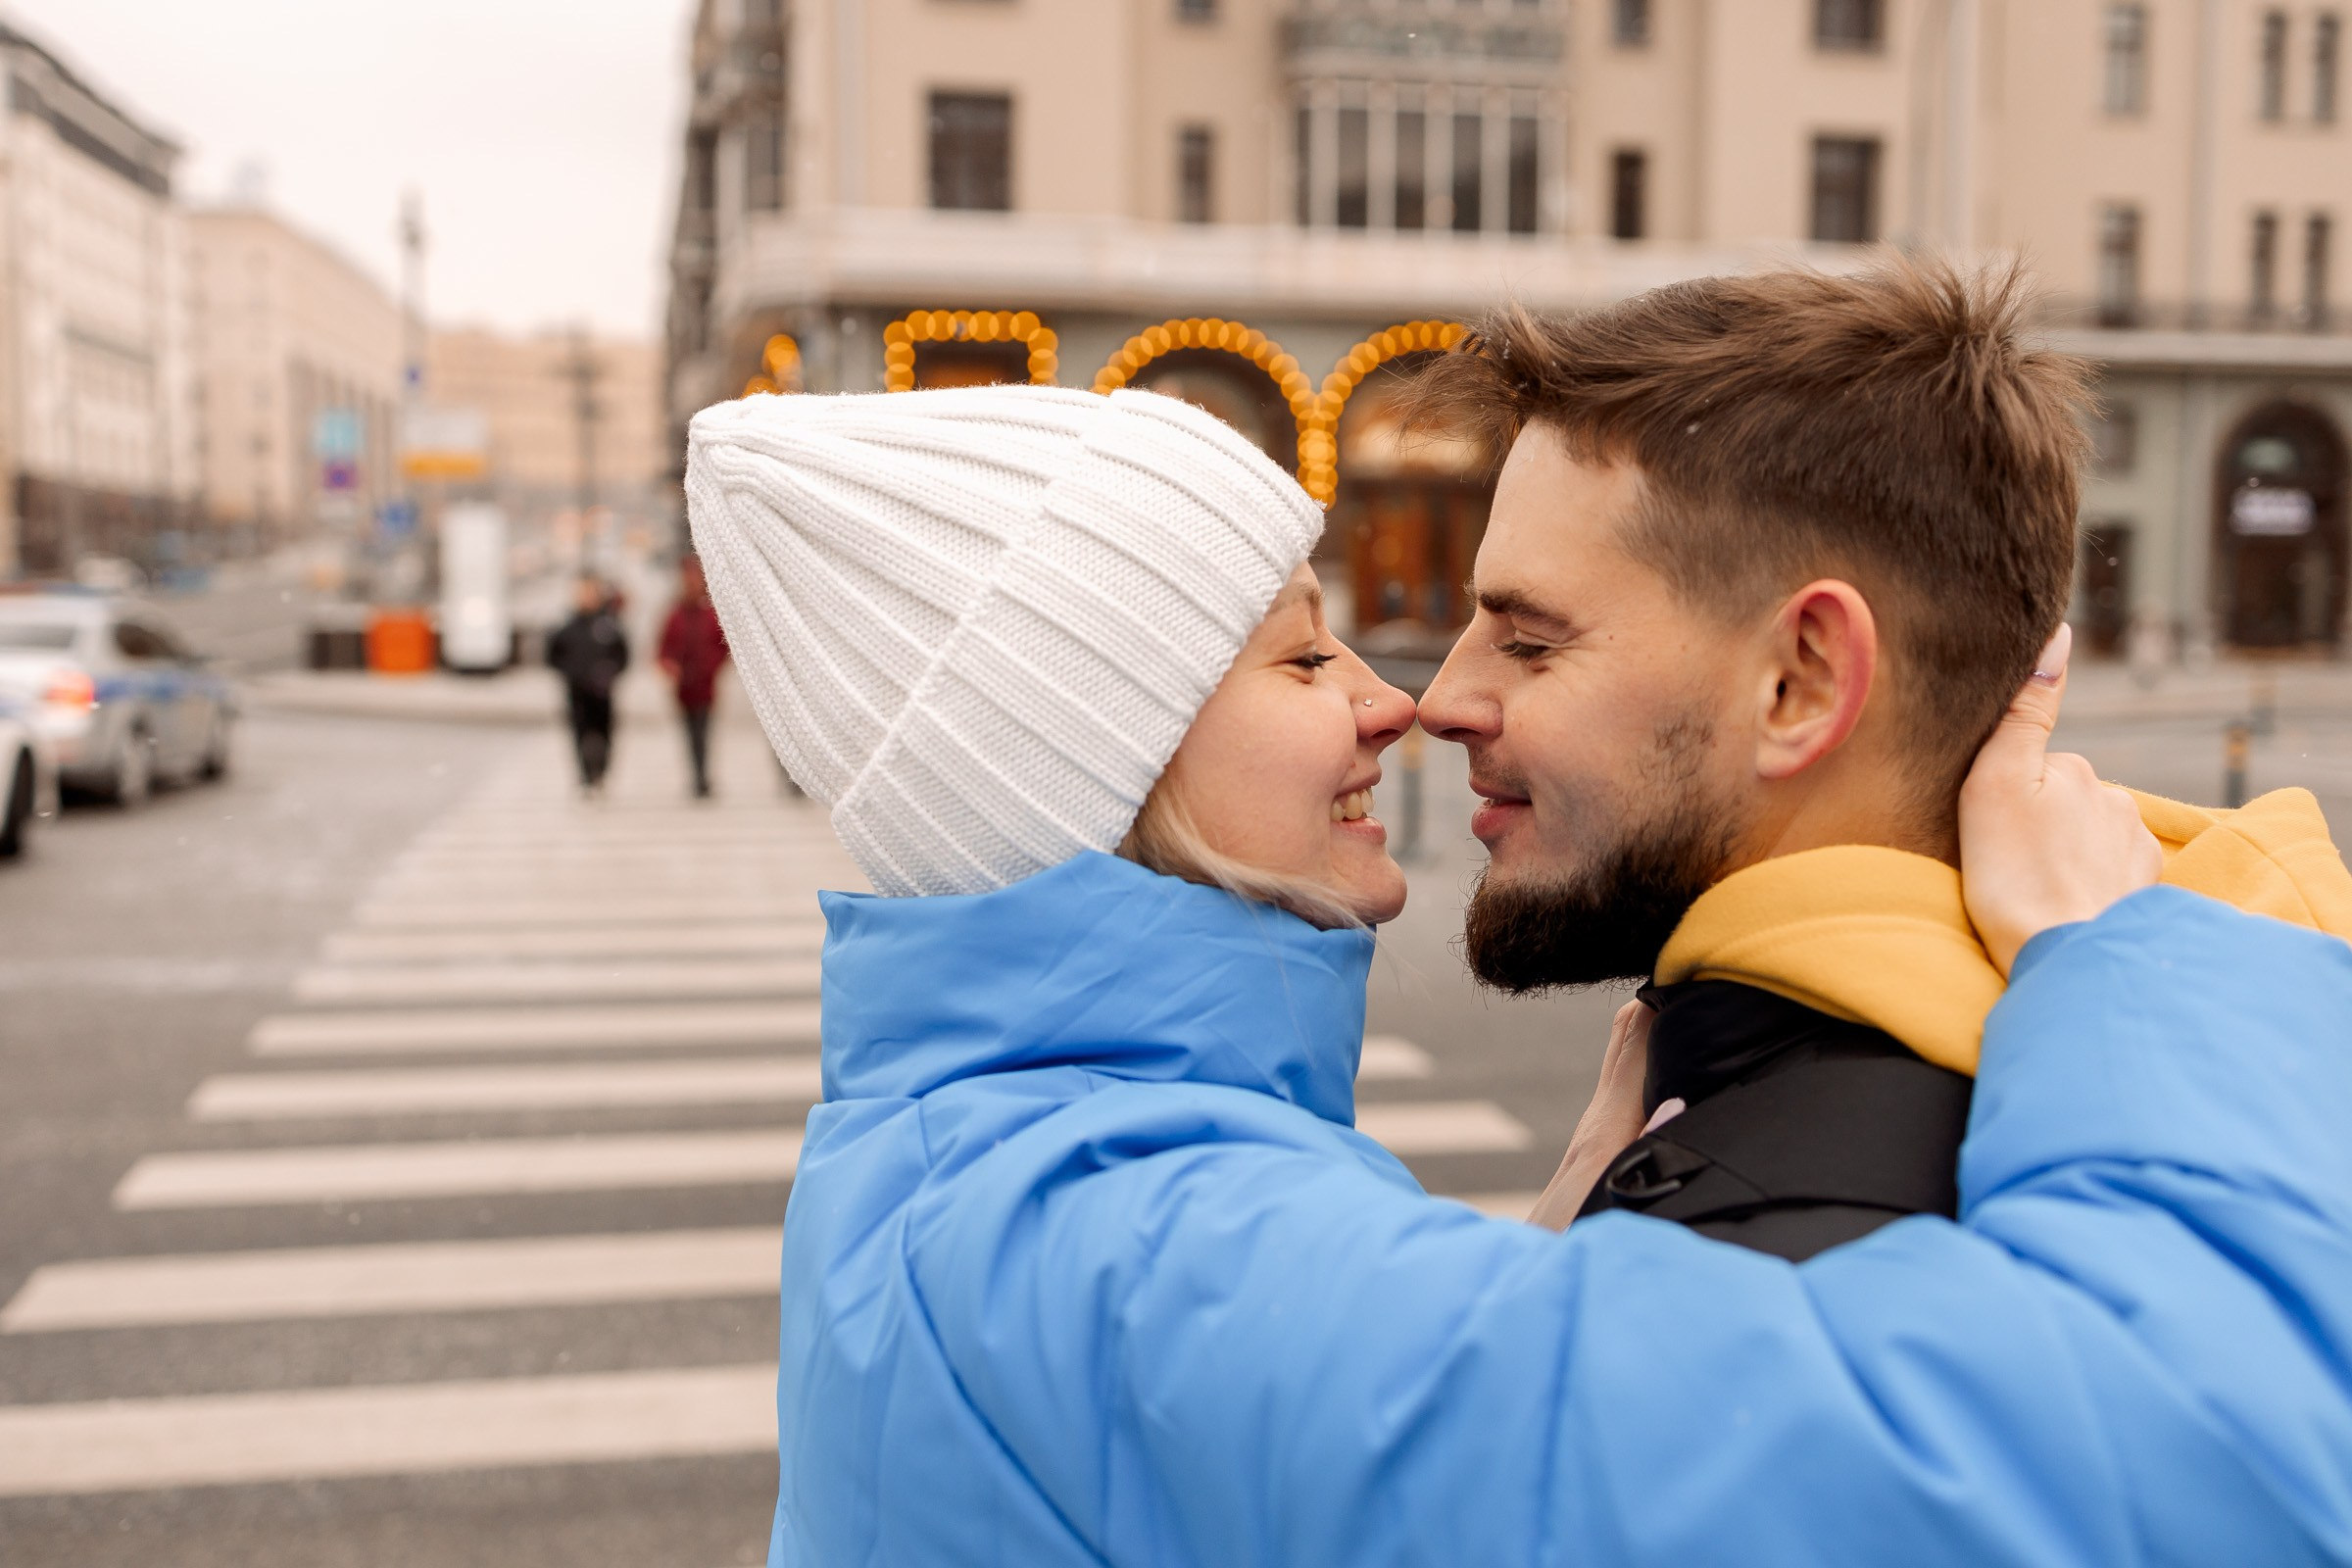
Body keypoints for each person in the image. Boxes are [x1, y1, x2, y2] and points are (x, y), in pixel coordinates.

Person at [686, 378, 2352, 1564]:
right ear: (1089, 766)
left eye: (1528, 636)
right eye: (1293, 652)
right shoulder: (1141, 1248)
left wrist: (1517, 1273)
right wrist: (2129, 966)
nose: (1397, 698)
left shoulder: (987, 1168)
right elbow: (2189, 1445)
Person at [1404, 262, 2352, 1251]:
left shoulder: (1769, 1250)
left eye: (1531, 641)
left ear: (1802, 683)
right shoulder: (2203, 1105)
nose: (1441, 702)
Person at [547, 572, 628, 796]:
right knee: (579, 733)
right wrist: (569, 673)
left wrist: (610, 672)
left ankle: (601, 772)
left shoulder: (608, 625)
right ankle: (584, 776)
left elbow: (622, 655)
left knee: (604, 733)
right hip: (577, 690)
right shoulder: (567, 626)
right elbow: (553, 655)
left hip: (602, 690)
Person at [657, 553, 731, 799]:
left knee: (704, 731)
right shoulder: (675, 614)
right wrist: (670, 667)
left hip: (705, 685)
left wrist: (711, 667)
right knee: (689, 732)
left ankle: (703, 776)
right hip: (683, 687)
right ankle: (696, 775)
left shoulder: (711, 614)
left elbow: (723, 647)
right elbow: (663, 648)